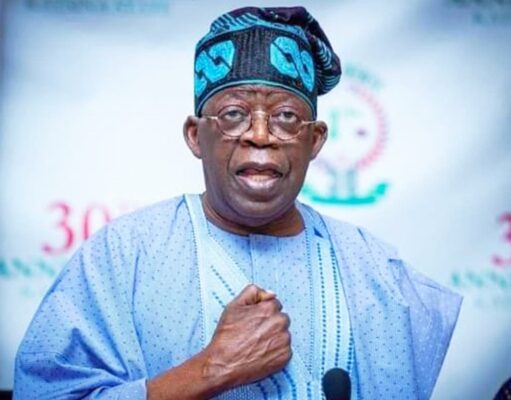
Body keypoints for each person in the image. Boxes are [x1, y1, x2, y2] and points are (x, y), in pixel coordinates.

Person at [14, 6, 462, 400]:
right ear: (196, 136)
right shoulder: (122, 256)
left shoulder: (377, 272)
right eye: (233, 115)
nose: (261, 135)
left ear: (315, 140)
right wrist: (210, 370)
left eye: (286, 117)